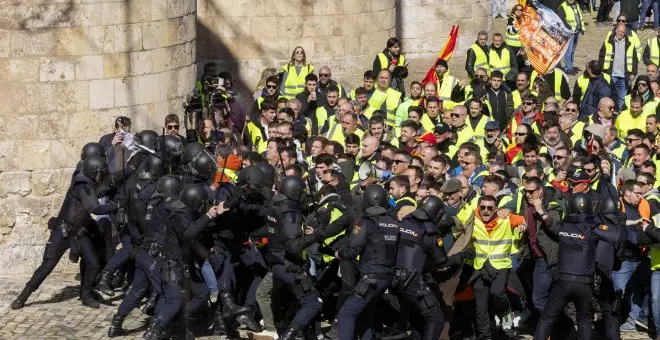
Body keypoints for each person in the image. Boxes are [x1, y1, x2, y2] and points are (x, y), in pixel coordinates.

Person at [12, 154, 118, 310]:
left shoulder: (88, 183)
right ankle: (23, 296)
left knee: (94, 264)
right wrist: (116, 207)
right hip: (62, 232)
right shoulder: (81, 185)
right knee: (47, 266)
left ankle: (86, 295)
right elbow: (96, 208)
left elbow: (101, 190)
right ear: (93, 172)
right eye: (99, 173)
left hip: (78, 233)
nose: (100, 176)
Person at [534, 194, 619, 340]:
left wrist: (541, 211)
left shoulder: (563, 226)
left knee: (547, 318)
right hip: (584, 284)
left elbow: (550, 224)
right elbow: (614, 235)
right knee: (585, 320)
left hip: (563, 283)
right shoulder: (592, 228)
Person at [393, 196, 474, 339]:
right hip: (413, 281)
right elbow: (441, 261)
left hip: (396, 276)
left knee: (418, 316)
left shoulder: (405, 221)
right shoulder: (430, 233)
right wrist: (461, 255)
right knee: (436, 319)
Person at [335, 185, 400, 339]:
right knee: (363, 313)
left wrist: (340, 253)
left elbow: (352, 250)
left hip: (371, 277)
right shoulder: (394, 222)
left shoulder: (366, 222)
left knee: (346, 314)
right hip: (388, 276)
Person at [471, 195, 526, 339]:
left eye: (490, 208)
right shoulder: (473, 218)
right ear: (478, 207)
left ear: (496, 209)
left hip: (500, 266)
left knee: (497, 293)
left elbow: (523, 220)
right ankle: (485, 336)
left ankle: (506, 312)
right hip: (480, 266)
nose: (486, 211)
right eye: (483, 207)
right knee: (480, 306)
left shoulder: (506, 218)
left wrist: (522, 225)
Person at [600, 23, 639, 111]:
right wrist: (602, 70)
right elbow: (602, 55)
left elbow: (634, 59)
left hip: (624, 75)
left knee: (622, 98)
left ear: (625, 33)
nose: (620, 33)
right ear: (616, 31)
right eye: (619, 31)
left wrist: (633, 73)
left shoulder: (630, 43)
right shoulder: (609, 41)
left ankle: (619, 114)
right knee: (609, 96)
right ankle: (610, 113)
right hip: (611, 74)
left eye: (622, 32)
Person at [558, 0, 585, 75]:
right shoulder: (563, 6)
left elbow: (580, 16)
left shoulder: (576, 3)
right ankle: (568, 68)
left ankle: (570, 66)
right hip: (569, 33)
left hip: (576, 31)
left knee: (572, 51)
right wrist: (569, 28)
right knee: (568, 51)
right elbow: (561, 20)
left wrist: (582, 27)